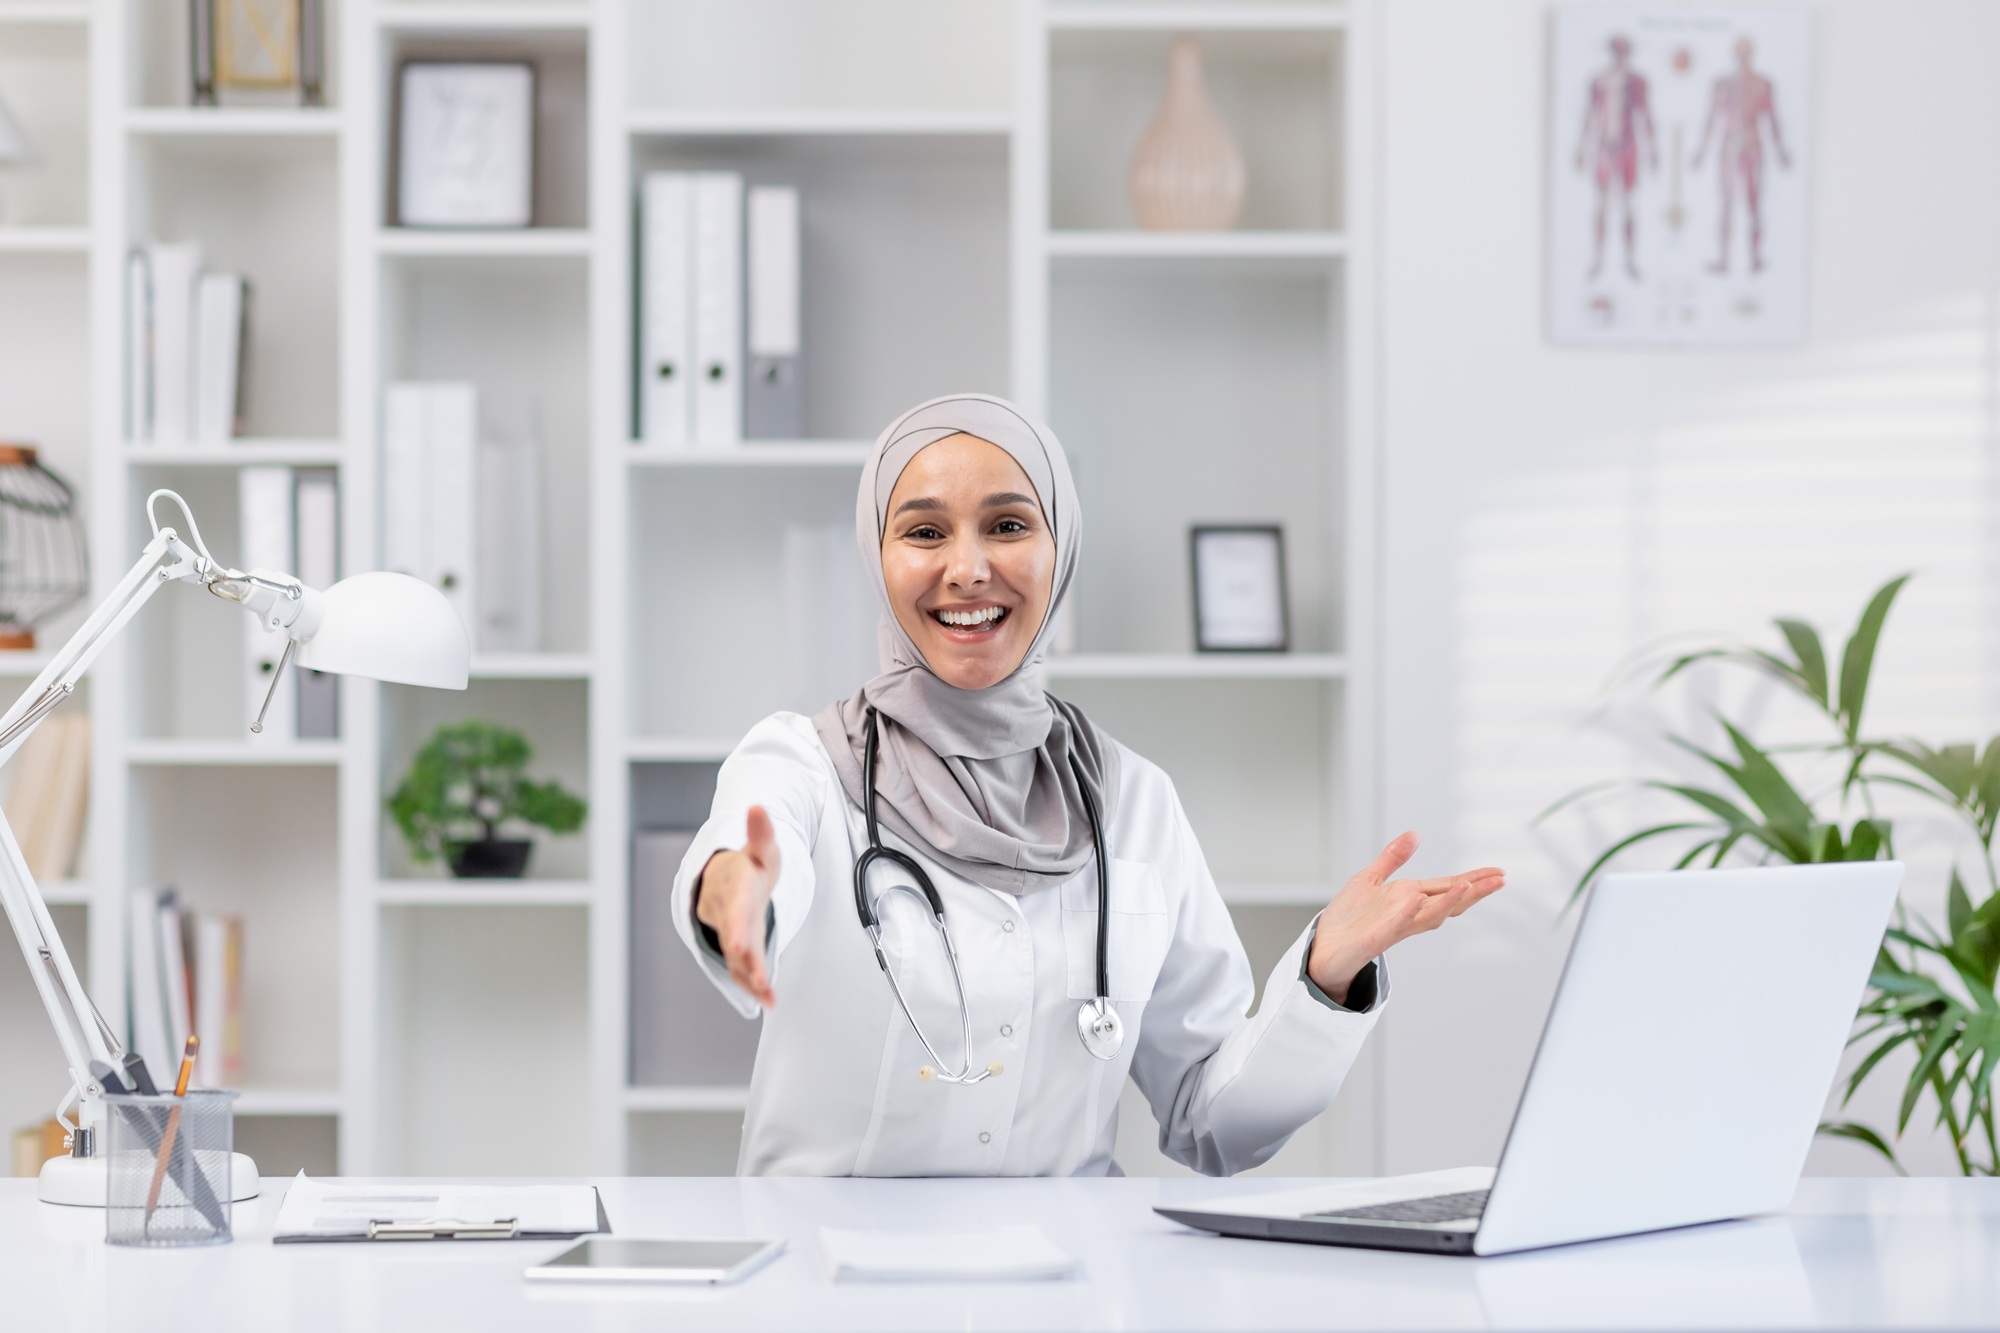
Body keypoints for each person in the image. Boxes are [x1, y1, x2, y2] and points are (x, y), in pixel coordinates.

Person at [670, 394, 1505, 1176]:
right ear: (877, 558)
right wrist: (736, 888)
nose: (966, 568)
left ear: (1060, 549)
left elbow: (1212, 1121)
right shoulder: (805, 763)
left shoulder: (1134, 803)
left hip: (1063, 1286)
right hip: (822, 1291)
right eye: (924, 532)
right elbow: (751, 836)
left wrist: (1327, 974)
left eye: (1007, 524)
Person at [1693, 36, 1791, 275]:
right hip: (1729, 147)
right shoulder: (1722, 85)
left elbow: (1772, 118)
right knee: (1726, 203)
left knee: (1754, 204)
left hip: (1753, 146)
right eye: (1740, 52)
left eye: (1747, 52)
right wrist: (1701, 151)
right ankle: (1724, 259)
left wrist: (1780, 150)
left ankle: (1755, 258)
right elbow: (1711, 118)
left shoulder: (1762, 84)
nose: (1743, 57)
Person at [1574, 34, 1657, 282]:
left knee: (1628, 205)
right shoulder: (1598, 82)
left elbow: (1646, 116)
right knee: (1601, 204)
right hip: (1605, 148)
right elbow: (1590, 115)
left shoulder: (1638, 83)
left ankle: (1630, 260)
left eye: (1623, 51)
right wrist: (1581, 148)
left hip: (1628, 147)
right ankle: (1598, 259)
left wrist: (1653, 149)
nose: (1619, 56)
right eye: (1616, 51)